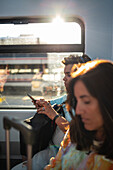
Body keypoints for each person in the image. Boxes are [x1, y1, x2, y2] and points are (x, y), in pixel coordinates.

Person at [12, 54, 91, 170]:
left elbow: (78, 137)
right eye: (64, 74)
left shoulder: (91, 104)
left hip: (72, 155)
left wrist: (54, 115)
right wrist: (42, 104)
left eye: (68, 75)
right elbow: (50, 104)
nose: (64, 78)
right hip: (53, 150)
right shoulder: (67, 98)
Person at [45, 59, 113, 169]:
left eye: (86, 101)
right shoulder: (75, 132)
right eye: (77, 101)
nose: (78, 111)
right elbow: (55, 166)